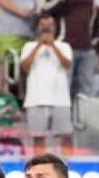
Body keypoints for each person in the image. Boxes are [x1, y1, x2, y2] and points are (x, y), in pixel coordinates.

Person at [20, 14, 73, 153]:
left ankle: (71, 165)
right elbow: (25, 66)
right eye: (43, 25)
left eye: (50, 25)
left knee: (66, 135)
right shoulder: (29, 46)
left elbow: (67, 64)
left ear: (55, 28)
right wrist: (39, 45)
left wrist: (52, 46)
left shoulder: (64, 46)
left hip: (60, 99)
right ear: (37, 27)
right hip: (36, 98)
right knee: (38, 137)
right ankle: (40, 165)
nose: (46, 29)